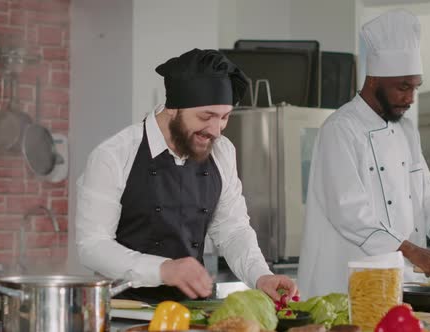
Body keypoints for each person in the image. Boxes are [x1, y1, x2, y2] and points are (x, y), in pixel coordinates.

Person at [75, 48, 297, 303]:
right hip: (125, 311)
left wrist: (261, 275)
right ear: (174, 108)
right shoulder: (114, 155)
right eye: (206, 116)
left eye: (224, 117)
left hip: (193, 310)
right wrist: (164, 269)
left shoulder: (222, 151)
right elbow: (92, 246)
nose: (216, 130)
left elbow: (233, 231)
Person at [297, 9, 430, 297]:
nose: (410, 98)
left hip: (395, 284)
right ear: (374, 79)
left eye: (415, 88)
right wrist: (413, 251)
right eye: (402, 87)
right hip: (342, 286)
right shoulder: (340, 129)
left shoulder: (406, 130)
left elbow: (426, 195)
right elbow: (349, 211)